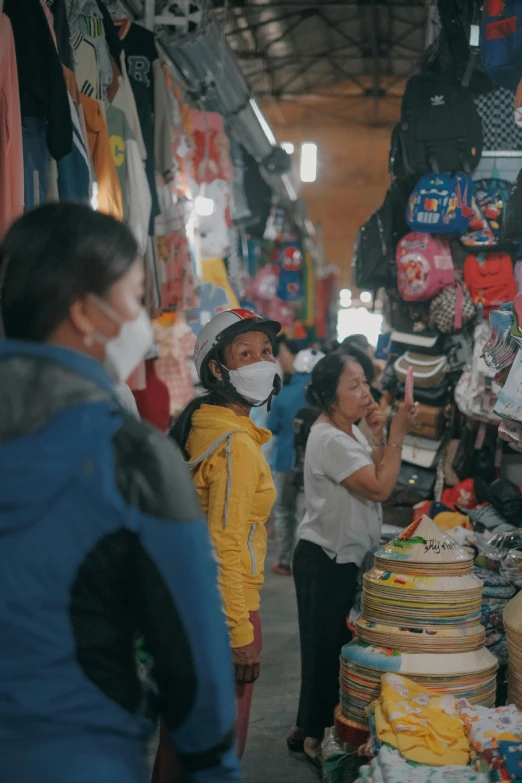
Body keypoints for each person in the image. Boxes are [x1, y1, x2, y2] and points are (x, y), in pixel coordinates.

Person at [0, 204, 239, 783]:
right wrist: (212, 768)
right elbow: (191, 651)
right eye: (135, 297)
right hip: (75, 757)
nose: (144, 320)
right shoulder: (130, 455)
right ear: (86, 312)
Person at [287, 352, 416, 766]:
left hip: (341, 556)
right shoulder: (330, 438)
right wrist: (397, 435)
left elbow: (370, 469)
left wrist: (378, 436)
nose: (366, 392)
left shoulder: (347, 430)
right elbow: (379, 488)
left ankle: (305, 725)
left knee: (332, 646)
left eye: (365, 381)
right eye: (354, 385)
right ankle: (311, 736)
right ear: (330, 397)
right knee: (325, 650)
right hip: (325, 559)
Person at [170, 308, 281, 759]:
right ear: (217, 368)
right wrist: (239, 634)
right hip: (225, 612)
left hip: (188, 604)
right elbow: (225, 546)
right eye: (245, 353)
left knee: (179, 747)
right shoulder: (234, 444)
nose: (261, 362)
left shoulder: (204, 427)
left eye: (266, 352)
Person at [267, 348, 324, 576]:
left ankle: (284, 561)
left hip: (284, 461)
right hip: (313, 465)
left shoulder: (282, 395)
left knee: (283, 511)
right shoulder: (324, 398)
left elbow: (272, 427)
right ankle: (303, 563)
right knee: (306, 514)